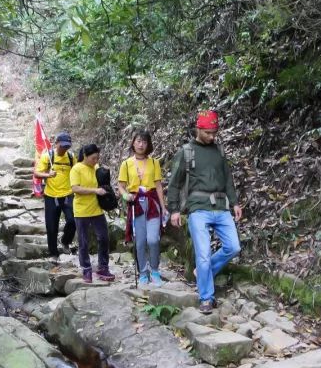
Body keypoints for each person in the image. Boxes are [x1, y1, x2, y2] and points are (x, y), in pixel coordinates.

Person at [166, 110, 241, 314]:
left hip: (221, 206)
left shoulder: (219, 151)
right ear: (198, 129)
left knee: (233, 247)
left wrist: (234, 202)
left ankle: (202, 273)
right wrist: (173, 210)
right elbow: (174, 184)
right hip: (198, 208)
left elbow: (227, 178)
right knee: (204, 254)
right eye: (208, 132)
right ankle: (206, 298)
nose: (212, 136)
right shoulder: (186, 151)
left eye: (214, 132)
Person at [118, 130, 167, 288]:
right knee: (140, 242)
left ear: (148, 144)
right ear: (133, 143)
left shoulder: (154, 162)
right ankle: (143, 273)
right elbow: (121, 185)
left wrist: (163, 207)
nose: (141, 144)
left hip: (152, 203)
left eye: (144, 142)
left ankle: (155, 270)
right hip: (136, 204)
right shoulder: (126, 164)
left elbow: (158, 186)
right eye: (138, 141)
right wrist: (125, 196)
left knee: (153, 239)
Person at [69, 143, 116, 284]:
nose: (95, 161)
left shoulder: (95, 167)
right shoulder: (76, 169)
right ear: (85, 156)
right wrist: (94, 191)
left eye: (97, 158)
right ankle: (86, 269)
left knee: (104, 238)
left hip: (97, 209)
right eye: (93, 158)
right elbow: (75, 188)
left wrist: (105, 174)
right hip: (81, 211)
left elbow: (103, 184)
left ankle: (103, 267)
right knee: (83, 242)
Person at [32, 132, 77, 260]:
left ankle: (65, 241)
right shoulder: (48, 156)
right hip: (51, 196)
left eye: (67, 146)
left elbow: (77, 170)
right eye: (62, 146)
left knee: (72, 221)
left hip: (68, 194)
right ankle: (53, 254)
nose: (64, 149)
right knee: (51, 227)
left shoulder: (71, 157)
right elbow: (36, 173)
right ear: (56, 144)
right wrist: (48, 175)